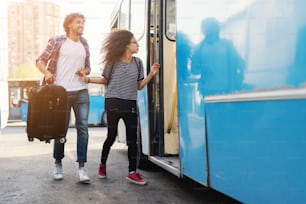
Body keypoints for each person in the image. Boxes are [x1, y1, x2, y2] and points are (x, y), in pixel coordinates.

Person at [81, 29, 160, 185]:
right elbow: (104, 80)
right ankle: (102, 165)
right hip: (113, 103)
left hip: (130, 103)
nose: (137, 45)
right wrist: (87, 80)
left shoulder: (138, 63)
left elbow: (139, 86)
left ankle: (132, 172)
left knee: (133, 140)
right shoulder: (112, 62)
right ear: (125, 45)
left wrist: (151, 74)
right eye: (134, 42)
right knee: (111, 136)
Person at [36, 12, 91, 183]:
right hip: (61, 91)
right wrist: (46, 73)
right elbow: (40, 60)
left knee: (83, 128)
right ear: (69, 25)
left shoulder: (84, 43)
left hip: (82, 91)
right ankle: (58, 163)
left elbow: (88, 66)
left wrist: (85, 72)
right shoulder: (57, 41)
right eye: (78, 22)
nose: (81, 24)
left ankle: (82, 168)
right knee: (61, 129)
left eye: (83, 22)